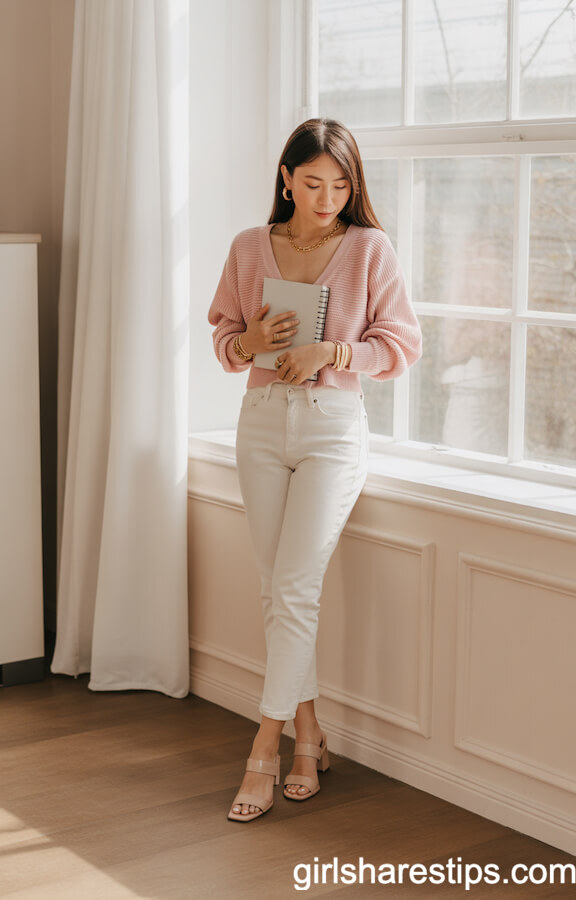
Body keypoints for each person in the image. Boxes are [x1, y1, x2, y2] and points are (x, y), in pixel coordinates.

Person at [208, 118, 422, 822]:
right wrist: (248, 340)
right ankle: (309, 735)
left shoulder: (369, 248)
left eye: (340, 184)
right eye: (312, 182)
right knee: (279, 591)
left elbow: (400, 344)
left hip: (332, 431)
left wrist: (331, 354)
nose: (327, 196)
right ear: (286, 180)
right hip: (263, 423)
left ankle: (262, 747)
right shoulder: (249, 247)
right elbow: (224, 339)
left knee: (293, 588)